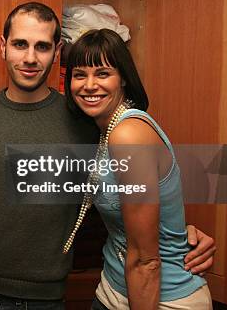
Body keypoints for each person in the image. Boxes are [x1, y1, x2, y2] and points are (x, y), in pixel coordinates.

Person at [0, 3, 215, 310]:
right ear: (4, 47)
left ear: (57, 53)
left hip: (39, 299)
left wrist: (180, 235)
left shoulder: (87, 124)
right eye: (20, 44)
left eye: (42, 46)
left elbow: (147, 183)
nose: (30, 58)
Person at [65, 29, 213, 309]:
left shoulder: (128, 133)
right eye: (80, 75)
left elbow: (147, 261)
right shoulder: (104, 131)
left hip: (165, 299)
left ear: (123, 79)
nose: (89, 85)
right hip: (112, 287)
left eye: (103, 73)